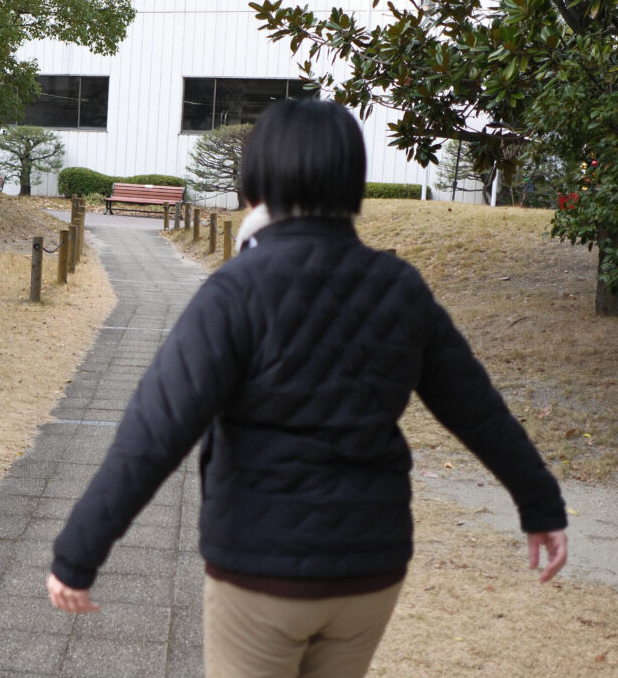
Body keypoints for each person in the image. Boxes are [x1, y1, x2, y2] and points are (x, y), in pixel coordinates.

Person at [46, 99, 568, 677]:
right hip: (371, 571)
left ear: (255, 183)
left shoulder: (237, 291)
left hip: (261, 570)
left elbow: (155, 430)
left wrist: (78, 554)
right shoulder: (399, 287)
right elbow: (478, 411)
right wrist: (540, 504)